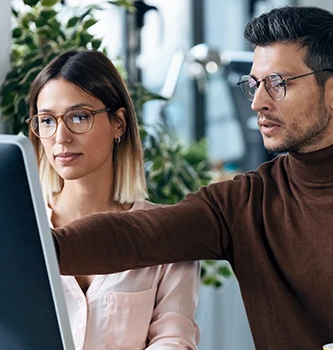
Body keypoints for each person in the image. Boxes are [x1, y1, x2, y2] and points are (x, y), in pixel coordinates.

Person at [50, 5, 333, 349]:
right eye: (255, 84)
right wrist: (34, 247)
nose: (258, 102)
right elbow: (137, 233)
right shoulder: (245, 204)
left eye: (277, 83)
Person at [27, 49, 200, 350]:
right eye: (46, 121)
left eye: (79, 117)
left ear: (118, 123)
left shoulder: (169, 235)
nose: (60, 136)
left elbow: (174, 340)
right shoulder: (21, 230)